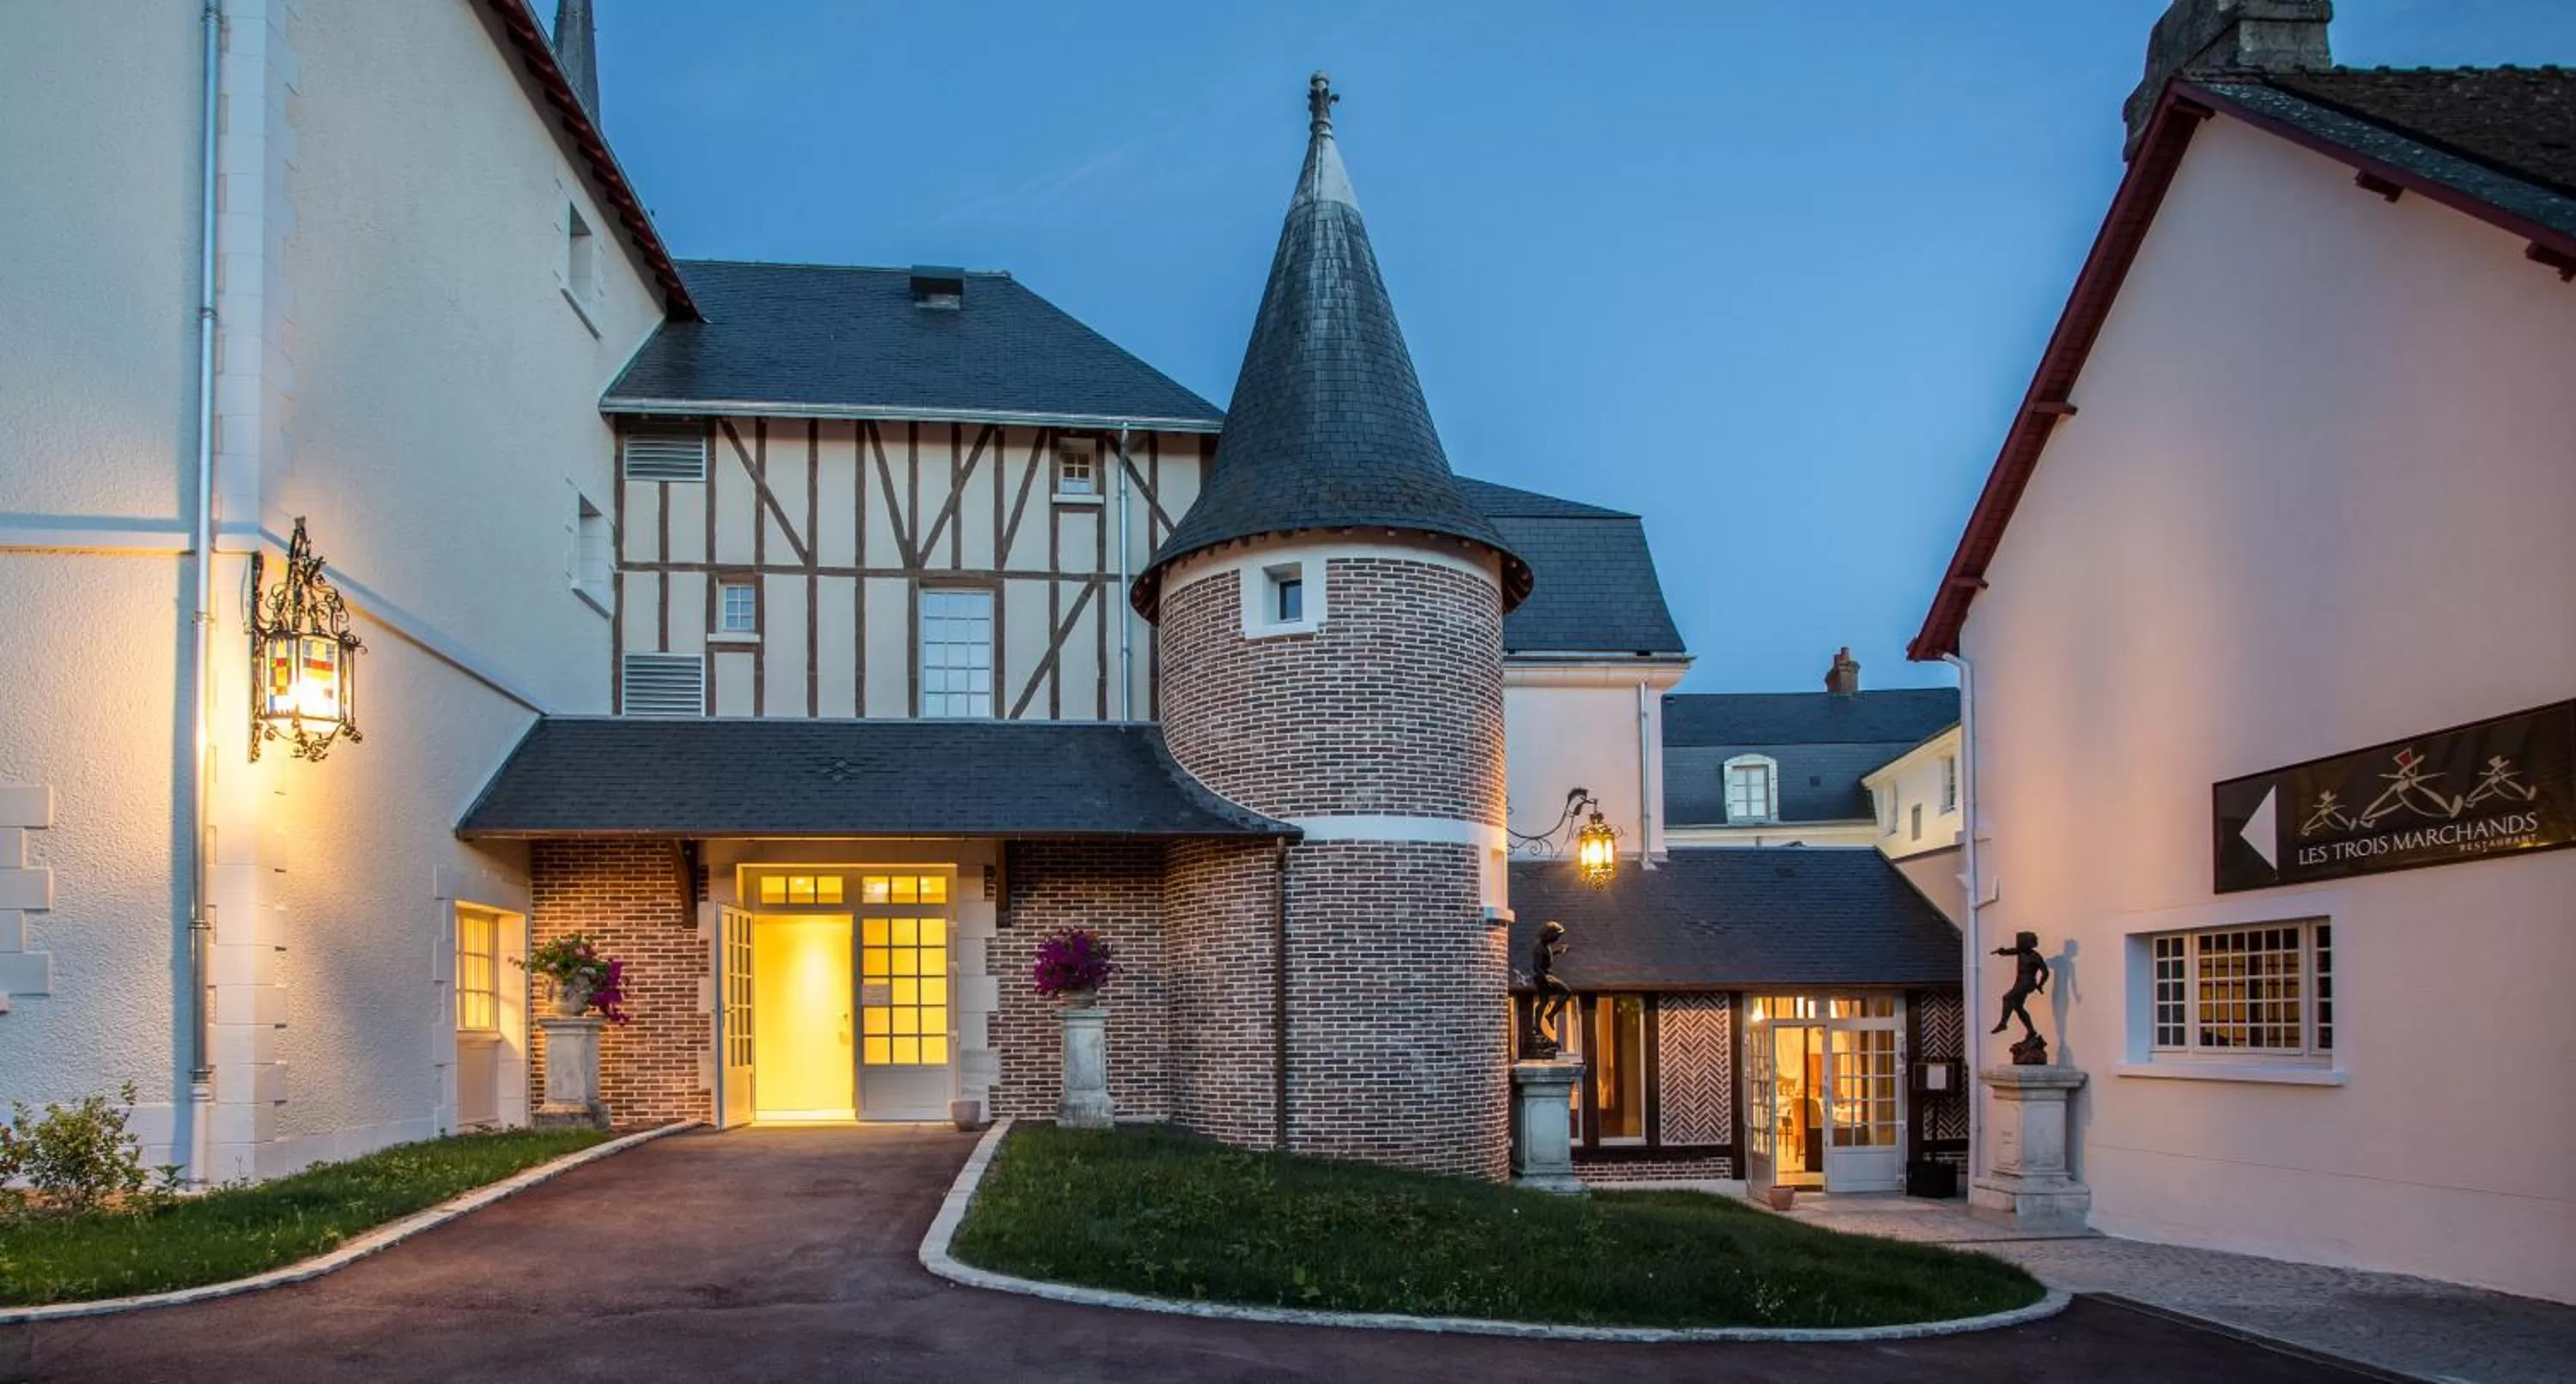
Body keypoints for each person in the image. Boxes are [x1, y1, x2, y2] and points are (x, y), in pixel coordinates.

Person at [1990, 931, 2050, 1043]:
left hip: (2027, 982)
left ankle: (2003, 1023)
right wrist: (2002, 952)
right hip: (2020, 982)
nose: (2021, 945)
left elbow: (2046, 972)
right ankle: (2031, 1031)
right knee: (2018, 1007)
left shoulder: (2035, 956)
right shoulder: (2021, 952)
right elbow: (2011, 951)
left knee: (2007, 998)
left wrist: (2040, 985)